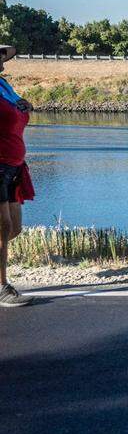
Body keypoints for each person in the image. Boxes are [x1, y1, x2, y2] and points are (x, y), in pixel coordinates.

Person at [0, 45, 35, 308]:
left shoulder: (5, 86)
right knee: (4, 228)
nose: (3, 62)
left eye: (3, 57)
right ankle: (2, 287)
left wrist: (27, 105)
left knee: (15, 229)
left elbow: (20, 112)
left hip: (14, 166)